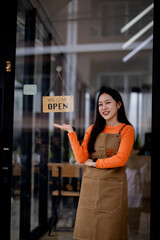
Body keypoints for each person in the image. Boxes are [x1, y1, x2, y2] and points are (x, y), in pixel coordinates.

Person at [53, 87, 134, 240]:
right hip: (90, 188)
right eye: (100, 104)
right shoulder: (93, 129)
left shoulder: (126, 130)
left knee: (111, 232)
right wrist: (71, 132)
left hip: (113, 189)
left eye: (107, 103)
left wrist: (95, 163)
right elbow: (81, 158)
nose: (103, 107)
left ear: (118, 104)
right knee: (86, 231)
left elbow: (120, 159)